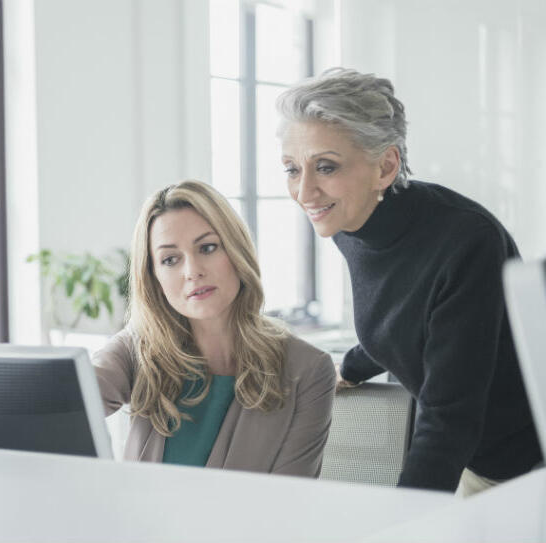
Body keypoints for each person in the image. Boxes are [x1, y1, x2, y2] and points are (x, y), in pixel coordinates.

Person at [276, 68, 543, 495]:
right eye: (292, 169)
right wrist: (353, 367)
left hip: (521, 464)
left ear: (385, 166)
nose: (305, 191)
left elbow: (449, 416)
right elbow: (404, 312)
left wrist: (405, 517)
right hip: (469, 456)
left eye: (325, 167)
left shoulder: (467, 241)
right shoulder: (348, 221)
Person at [93, 180, 335, 476]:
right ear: (154, 277)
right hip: (138, 522)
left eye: (207, 247)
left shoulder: (307, 370)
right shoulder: (137, 348)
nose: (192, 271)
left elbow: (289, 501)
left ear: (236, 252)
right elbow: (63, 401)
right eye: (170, 259)